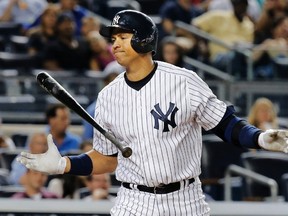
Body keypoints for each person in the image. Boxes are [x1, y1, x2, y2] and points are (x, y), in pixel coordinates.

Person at [17, 10, 288, 215]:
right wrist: (64, 164)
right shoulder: (108, 97)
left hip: (185, 200)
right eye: (114, 39)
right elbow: (108, 159)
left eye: (123, 37)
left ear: (144, 40)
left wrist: (260, 138)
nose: (115, 44)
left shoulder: (183, 81)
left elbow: (226, 124)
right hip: (133, 200)